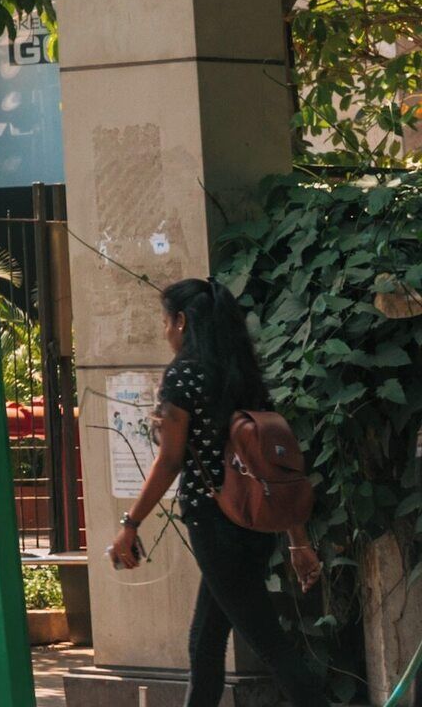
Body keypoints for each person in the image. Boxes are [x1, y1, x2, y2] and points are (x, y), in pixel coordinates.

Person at [111, 278, 324, 707]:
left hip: (214, 525)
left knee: (269, 644)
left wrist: (129, 524)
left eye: (166, 320)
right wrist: (297, 540)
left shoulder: (184, 375)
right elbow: (274, 466)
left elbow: (169, 461)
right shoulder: (241, 373)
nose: (164, 330)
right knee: (204, 644)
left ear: (183, 321)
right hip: (253, 522)